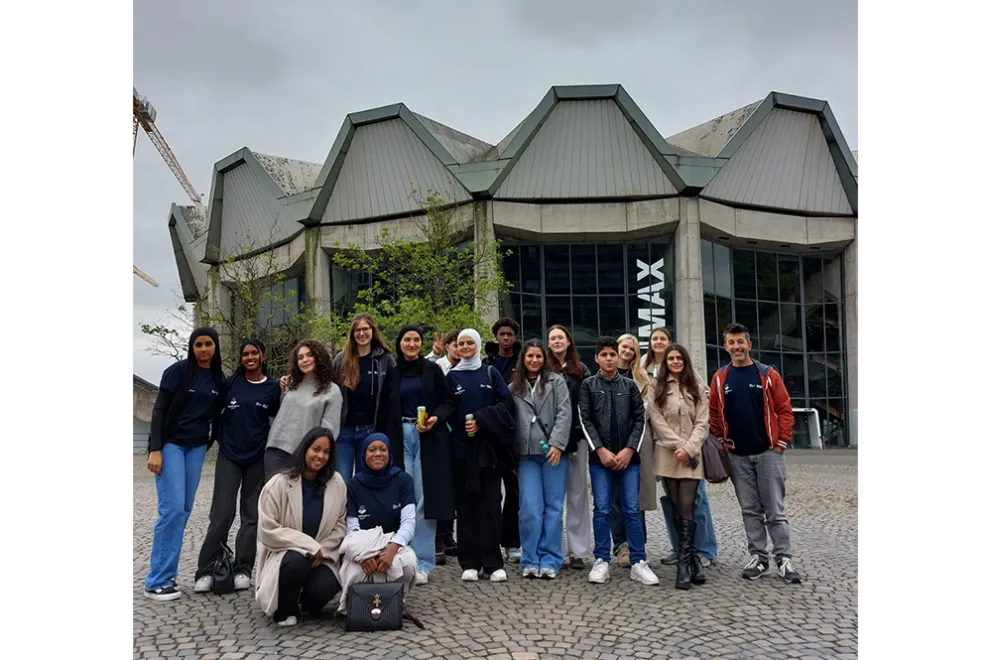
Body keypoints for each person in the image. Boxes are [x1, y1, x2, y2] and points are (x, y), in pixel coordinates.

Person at [710, 323, 802, 584]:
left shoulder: (767, 374)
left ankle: (784, 558)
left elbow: (784, 409)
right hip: (737, 456)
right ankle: (759, 557)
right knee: (750, 510)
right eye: (731, 342)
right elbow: (714, 412)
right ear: (725, 346)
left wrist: (781, 441)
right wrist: (721, 439)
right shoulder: (720, 377)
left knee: (775, 509)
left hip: (768, 452)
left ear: (749, 344)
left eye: (740, 341)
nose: (736, 346)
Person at [144, 327, 225, 601]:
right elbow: (159, 410)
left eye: (208, 344)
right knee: (172, 510)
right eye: (198, 344)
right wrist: (156, 449)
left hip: (196, 448)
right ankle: (157, 580)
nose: (203, 349)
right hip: (171, 446)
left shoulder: (218, 378)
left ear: (215, 346)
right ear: (192, 347)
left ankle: (167, 575)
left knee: (184, 510)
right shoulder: (177, 371)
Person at [195, 338, 281, 593]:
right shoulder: (229, 384)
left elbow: (277, 420)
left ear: (263, 356)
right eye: (245, 354)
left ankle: (243, 568)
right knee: (222, 514)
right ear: (241, 358)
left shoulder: (273, 387)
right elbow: (211, 412)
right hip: (229, 456)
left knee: (251, 516)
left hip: (257, 458)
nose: (250, 358)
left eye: (254, 353)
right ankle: (206, 568)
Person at [578, 336, 658, 586]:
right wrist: (600, 450)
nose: (609, 359)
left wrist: (629, 450)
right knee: (602, 509)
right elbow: (585, 420)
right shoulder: (588, 386)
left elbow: (639, 420)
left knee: (632, 509)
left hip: (629, 460)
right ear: (597, 358)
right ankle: (601, 560)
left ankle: (638, 560)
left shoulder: (630, 386)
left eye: (612, 354)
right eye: (604, 355)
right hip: (599, 460)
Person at [380, 324, 457, 584]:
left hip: (427, 436)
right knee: (404, 497)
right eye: (407, 340)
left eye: (416, 340)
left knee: (423, 498)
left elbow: (449, 401)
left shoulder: (432, 370)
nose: (412, 344)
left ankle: (423, 562)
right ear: (399, 343)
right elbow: (383, 410)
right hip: (399, 436)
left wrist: (436, 417)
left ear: (421, 344)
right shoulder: (392, 374)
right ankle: (402, 556)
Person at [255, 427, 347, 626]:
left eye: (326, 452)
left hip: (322, 557)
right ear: (305, 449)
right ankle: (283, 610)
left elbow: (340, 525)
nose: (320, 456)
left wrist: (320, 551)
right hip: (286, 556)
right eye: (316, 449)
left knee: (326, 587)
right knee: (296, 562)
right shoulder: (278, 483)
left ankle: (304, 602)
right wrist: (309, 547)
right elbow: (268, 528)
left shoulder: (337, 483)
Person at [644, 327, 719, 569]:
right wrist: (677, 445)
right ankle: (681, 550)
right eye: (654, 339)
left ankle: (702, 551)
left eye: (662, 339)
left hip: (691, 451)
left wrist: (689, 447)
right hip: (666, 449)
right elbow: (654, 416)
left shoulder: (692, 378)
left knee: (695, 502)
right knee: (673, 503)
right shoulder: (647, 372)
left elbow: (703, 413)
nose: (658, 342)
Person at [447, 328, 518, 582]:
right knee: (465, 506)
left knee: (490, 504)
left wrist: (481, 420)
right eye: (461, 343)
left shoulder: (490, 372)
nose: (466, 347)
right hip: (461, 451)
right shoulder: (451, 376)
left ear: (477, 345)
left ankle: (492, 562)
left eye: (470, 343)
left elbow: (507, 404)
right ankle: (469, 562)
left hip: (488, 451)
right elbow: (446, 409)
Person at [510, 340, 572, 579]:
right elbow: (510, 421)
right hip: (527, 456)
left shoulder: (557, 382)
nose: (534, 360)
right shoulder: (514, 387)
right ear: (523, 359)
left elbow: (564, 413)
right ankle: (530, 557)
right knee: (530, 509)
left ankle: (550, 558)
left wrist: (557, 444)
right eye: (530, 356)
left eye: (538, 356)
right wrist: (512, 455)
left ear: (544, 359)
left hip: (553, 453)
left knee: (553, 508)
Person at [338, 433, 418, 612]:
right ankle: (359, 604)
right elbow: (352, 529)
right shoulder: (353, 486)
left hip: (393, 543)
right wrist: (364, 554)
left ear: (389, 453)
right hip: (362, 546)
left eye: (383, 449)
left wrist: (392, 548)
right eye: (372, 450)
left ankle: (396, 599)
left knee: (407, 564)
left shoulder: (403, 480)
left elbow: (408, 522)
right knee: (355, 571)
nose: (378, 454)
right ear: (363, 454)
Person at [546, 324, 592, 570]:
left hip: (577, 440)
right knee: (553, 498)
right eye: (552, 338)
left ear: (568, 341)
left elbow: (586, 405)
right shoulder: (543, 369)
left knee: (577, 495)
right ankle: (554, 549)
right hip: (550, 441)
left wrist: (579, 433)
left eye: (560, 337)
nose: (556, 341)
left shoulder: (581, 370)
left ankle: (577, 551)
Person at [333, 313, 396, 484]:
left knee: (366, 480)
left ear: (372, 331)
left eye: (365, 329)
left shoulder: (385, 359)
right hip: (344, 431)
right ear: (352, 334)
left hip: (370, 430)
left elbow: (395, 390)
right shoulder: (341, 359)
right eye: (357, 330)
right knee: (342, 480)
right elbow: (327, 387)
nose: (362, 333)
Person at [266, 340, 342, 479]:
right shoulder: (290, 384)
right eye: (300, 357)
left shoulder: (332, 391)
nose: (305, 360)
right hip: (276, 449)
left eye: (309, 355)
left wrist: (315, 453)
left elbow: (329, 430)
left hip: (305, 456)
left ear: (319, 357)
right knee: (274, 492)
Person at [610, 334, 654, 568]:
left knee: (635, 495)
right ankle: (621, 544)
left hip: (635, 444)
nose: (627, 351)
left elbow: (647, 409)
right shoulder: (605, 374)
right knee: (615, 496)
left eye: (632, 348)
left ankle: (638, 543)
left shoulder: (642, 378)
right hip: (610, 444)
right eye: (624, 347)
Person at [482, 317, 523, 564]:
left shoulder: (522, 362)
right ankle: (491, 541)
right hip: (490, 433)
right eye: (502, 334)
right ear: (496, 336)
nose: (506, 338)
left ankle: (512, 542)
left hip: (512, 433)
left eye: (510, 334)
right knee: (491, 494)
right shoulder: (487, 364)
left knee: (514, 491)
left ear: (515, 337)